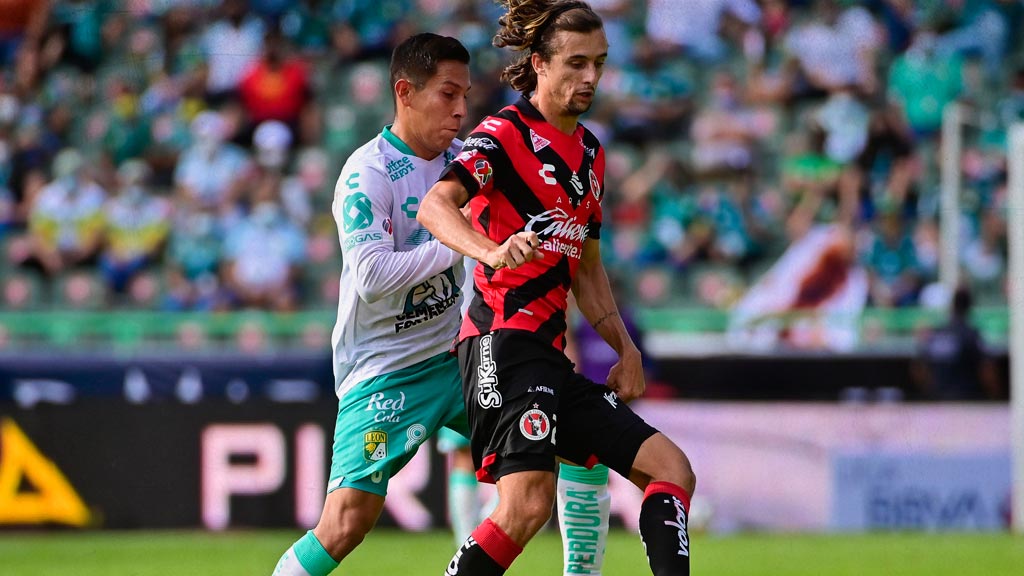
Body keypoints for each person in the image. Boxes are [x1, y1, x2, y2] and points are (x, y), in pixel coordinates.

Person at [270, 32, 612, 576]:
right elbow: (372, 275)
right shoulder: (368, 174)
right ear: (405, 92)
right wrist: (467, 244)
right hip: (386, 373)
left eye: (465, 96)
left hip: (464, 356)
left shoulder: (468, 160)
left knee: (582, 441)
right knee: (346, 522)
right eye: (447, 95)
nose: (460, 110)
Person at [417, 2, 697, 575]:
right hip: (500, 344)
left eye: (598, 63)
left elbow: (587, 267)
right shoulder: (502, 134)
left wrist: (625, 347)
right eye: (575, 64)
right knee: (526, 505)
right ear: (539, 65)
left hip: (550, 359)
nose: (590, 77)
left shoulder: (591, 153)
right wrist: (490, 250)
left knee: (671, 467)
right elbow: (434, 205)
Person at [914, 286, 1001, 401]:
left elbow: (918, 368)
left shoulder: (936, 334)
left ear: (951, 306)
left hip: (937, 402)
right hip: (967, 401)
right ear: (970, 307)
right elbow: (987, 370)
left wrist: (930, 391)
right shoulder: (971, 335)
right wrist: (995, 396)